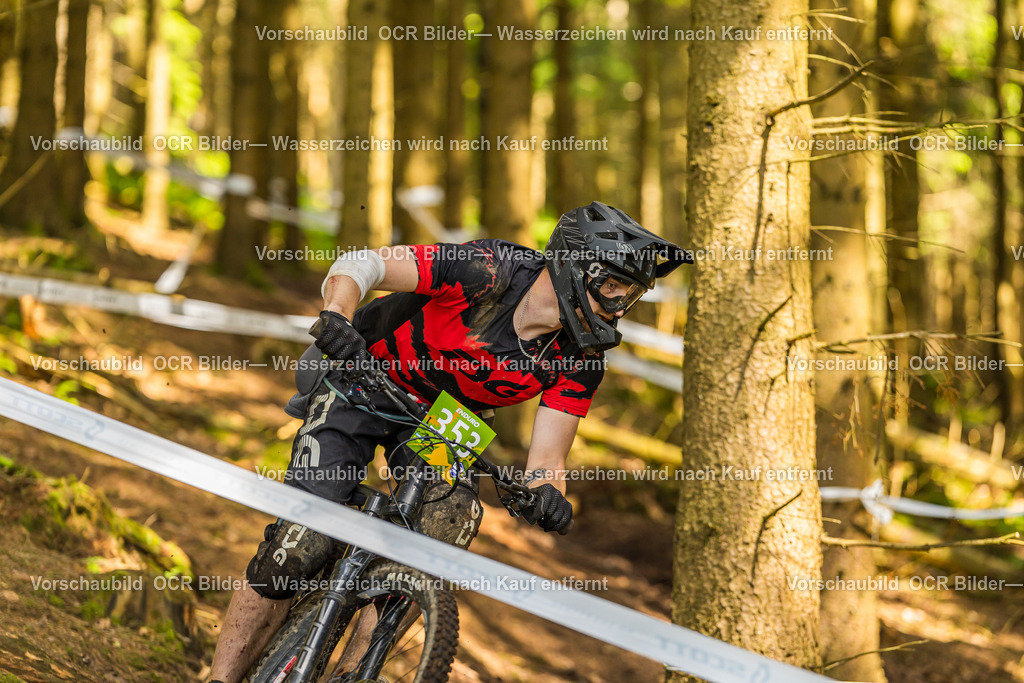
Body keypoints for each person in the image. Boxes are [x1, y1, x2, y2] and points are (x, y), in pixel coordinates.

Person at [207, 201, 690, 682]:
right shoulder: (489, 271)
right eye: (613, 287)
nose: (621, 307)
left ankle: (353, 673)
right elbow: (362, 263)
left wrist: (549, 495)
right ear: (574, 264)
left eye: (631, 295)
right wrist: (338, 315)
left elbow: (548, 458)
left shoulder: (580, 358)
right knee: (297, 549)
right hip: (365, 378)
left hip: (447, 420)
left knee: (449, 521)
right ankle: (221, 678)